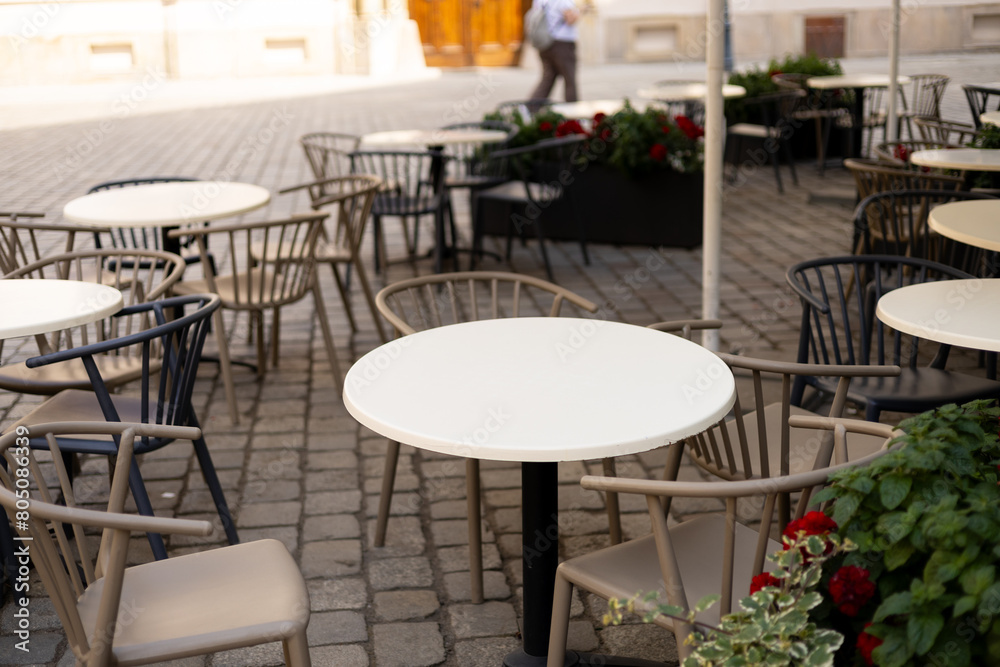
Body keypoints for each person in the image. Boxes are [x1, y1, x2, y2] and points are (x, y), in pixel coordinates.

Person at [529, 0, 580, 102]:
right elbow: (570, 19)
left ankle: (531, 108)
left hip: (545, 42)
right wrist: (580, 11)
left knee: (548, 78)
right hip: (562, 43)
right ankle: (573, 110)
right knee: (570, 79)